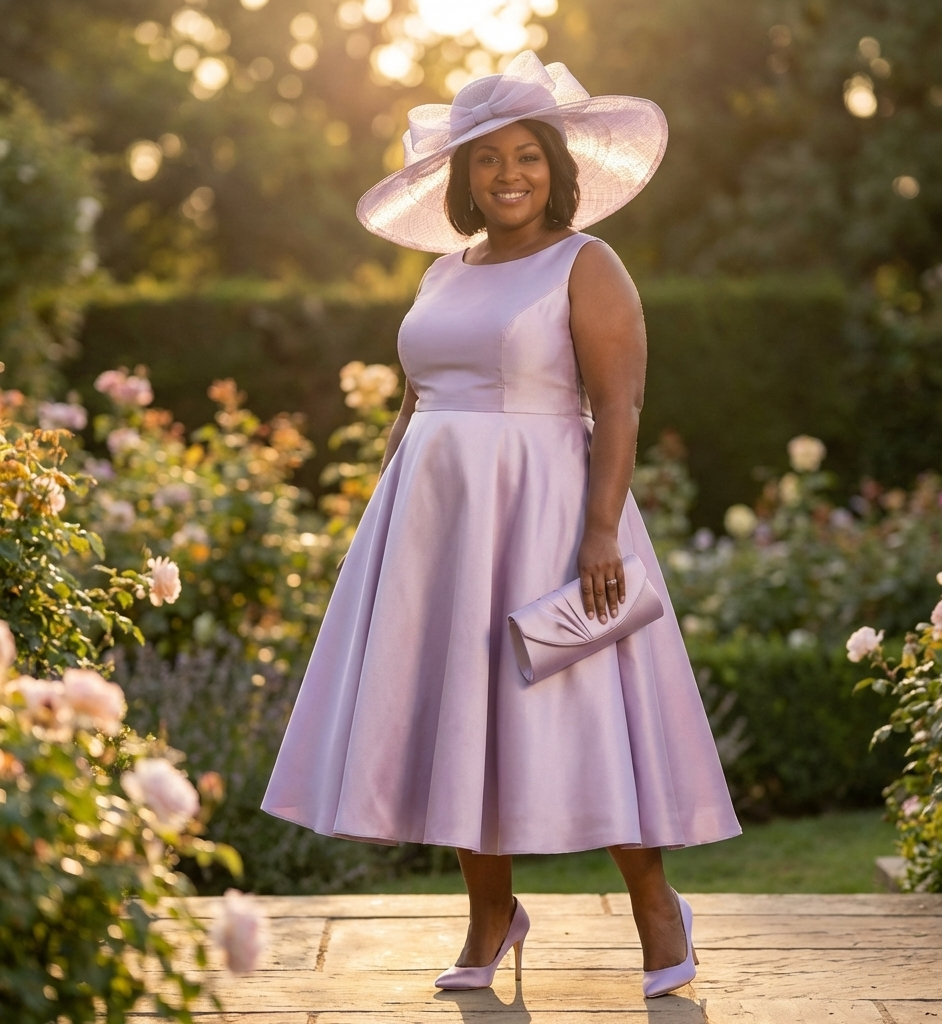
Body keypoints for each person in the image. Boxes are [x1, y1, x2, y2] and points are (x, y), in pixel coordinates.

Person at [262, 50, 741, 999]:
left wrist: (601, 532)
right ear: (463, 178)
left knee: (584, 709)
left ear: (557, 168)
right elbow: (418, 398)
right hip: (435, 528)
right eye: (486, 160)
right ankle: (491, 915)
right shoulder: (445, 273)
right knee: (459, 713)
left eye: (526, 155)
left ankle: (656, 907)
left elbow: (622, 403)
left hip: (549, 517)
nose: (508, 174)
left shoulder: (587, 263)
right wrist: (392, 503)